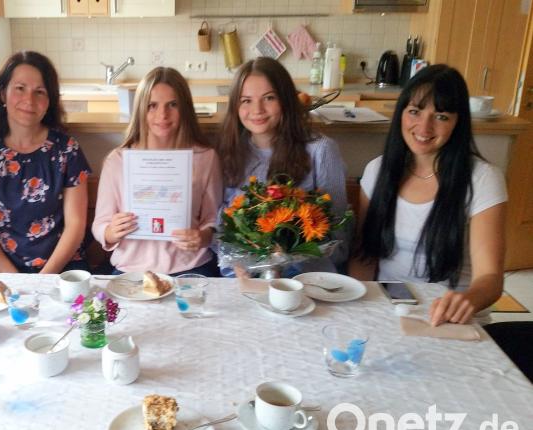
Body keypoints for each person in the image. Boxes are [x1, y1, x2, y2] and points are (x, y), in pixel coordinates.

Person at [349, 64, 506, 326]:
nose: (424, 126)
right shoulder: (378, 170)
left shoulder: (483, 179)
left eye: (441, 116)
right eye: (415, 111)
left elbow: (490, 279)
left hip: (449, 321)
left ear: (458, 122)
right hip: (389, 312)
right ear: (401, 113)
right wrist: (358, 309)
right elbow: (364, 257)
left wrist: (467, 300)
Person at [0, 51, 91, 273]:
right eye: (20, 88)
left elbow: (75, 226)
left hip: (60, 271)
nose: (29, 100)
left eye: (40, 92)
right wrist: (14, 278)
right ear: (3, 93)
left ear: (49, 101)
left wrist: (43, 279)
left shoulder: (67, 150)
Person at [216, 57, 348, 276]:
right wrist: (237, 265)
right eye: (246, 100)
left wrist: (289, 260)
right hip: (242, 278)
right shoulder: (228, 153)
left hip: (307, 279)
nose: (257, 109)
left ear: (286, 99)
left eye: (269, 98)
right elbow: (220, 226)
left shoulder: (320, 150)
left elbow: (338, 233)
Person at [92, 67, 223, 276]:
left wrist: (204, 236)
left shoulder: (206, 158)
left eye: (173, 105)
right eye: (152, 105)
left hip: (191, 266)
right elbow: (100, 224)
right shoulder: (117, 161)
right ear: (141, 109)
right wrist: (110, 232)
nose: (163, 115)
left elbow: (213, 219)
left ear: (185, 109)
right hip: (131, 269)